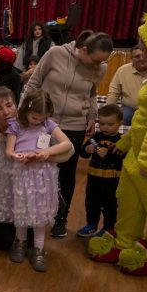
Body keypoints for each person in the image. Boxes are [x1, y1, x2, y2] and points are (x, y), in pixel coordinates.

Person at [89, 10, 147, 277]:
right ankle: (124, 241)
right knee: (129, 202)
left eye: (145, 43)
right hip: (138, 157)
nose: (141, 48)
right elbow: (144, 117)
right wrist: (128, 141)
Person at [24, 30, 112, 237]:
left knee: (66, 173)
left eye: (103, 61)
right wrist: (22, 115)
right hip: (45, 121)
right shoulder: (56, 53)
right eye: (95, 60)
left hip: (75, 124)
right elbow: (34, 83)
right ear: (84, 50)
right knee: (36, 168)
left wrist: (92, 116)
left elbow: (92, 93)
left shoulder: (100, 68)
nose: (98, 65)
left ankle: (60, 218)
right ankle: (30, 216)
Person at [0, 87, 74, 250]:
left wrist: (43, 155)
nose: (6, 112)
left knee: (32, 237)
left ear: (18, 106)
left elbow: (69, 150)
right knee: (2, 241)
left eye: (9, 105)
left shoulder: (37, 125)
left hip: (28, 195)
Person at [0, 90, 73, 272]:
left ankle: (38, 248)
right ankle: (20, 242)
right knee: (21, 209)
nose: (37, 121)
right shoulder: (15, 125)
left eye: (41, 118)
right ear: (26, 110)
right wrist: (16, 156)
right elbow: (9, 150)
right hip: (21, 173)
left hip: (41, 175)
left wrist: (46, 152)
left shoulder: (48, 124)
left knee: (39, 212)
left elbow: (67, 144)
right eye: (34, 117)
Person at [76, 105, 125, 238]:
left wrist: (108, 152)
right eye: (102, 124)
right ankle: (91, 225)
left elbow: (123, 156)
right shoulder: (96, 137)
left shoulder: (121, 140)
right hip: (94, 179)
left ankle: (109, 228)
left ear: (120, 123)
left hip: (113, 181)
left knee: (110, 205)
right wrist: (87, 149)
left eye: (110, 124)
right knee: (91, 203)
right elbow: (83, 152)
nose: (105, 127)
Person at [105, 45, 147, 126]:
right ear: (131, 59)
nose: (141, 58)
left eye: (143, 55)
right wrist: (107, 112)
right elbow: (114, 92)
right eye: (137, 56)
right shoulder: (122, 70)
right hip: (129, 109)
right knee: (117, 121)